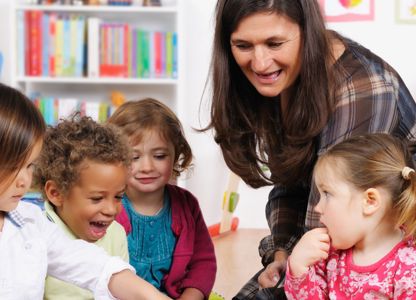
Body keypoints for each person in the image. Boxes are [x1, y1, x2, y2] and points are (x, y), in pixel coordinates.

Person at [205, 0, 416, 298]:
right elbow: (289, 184)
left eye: (275, 43)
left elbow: (333, 224)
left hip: (377, 251)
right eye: (243, 46)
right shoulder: (283, 79)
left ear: (309, 31)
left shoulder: (362, 89)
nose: (261, 63)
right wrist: (281, 253)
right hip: (332, 240)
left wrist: (294, 266)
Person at [0, 83, 172, 300]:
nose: (25, 180)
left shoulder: (31, 223)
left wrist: (153, 296)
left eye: (29, 166)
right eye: (14, 166)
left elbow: (94, 266)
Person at [108, 98, 217, 300]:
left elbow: (203, 263)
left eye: (159, 156)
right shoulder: (108, 206)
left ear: (176, 156)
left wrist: (190, 297)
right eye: (134, 157)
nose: (147, 167)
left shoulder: (187, 204)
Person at [284, 133, 416, 298]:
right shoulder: (327, 254)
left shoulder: (409, 270)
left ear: (370, 201)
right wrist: (298, 267)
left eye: (327, 194)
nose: (317, 207)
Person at [32, 116, 130, 299]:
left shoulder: (117, 234)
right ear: (56, 193)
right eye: (97, 198)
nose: (111, 209)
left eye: (118, 196)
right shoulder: (36, 236)